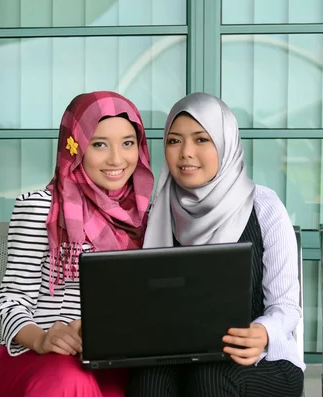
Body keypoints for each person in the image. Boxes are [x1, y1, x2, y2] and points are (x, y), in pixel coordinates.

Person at [126, 92, 305, 397]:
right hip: (179, 356)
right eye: (174, 141)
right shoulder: (157, 211)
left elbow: (285, 306)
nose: (185, 153)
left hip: (260, 358)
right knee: (148, 382)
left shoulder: (263, 206)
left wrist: (262, 333)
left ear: (225, 142)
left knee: (211, 379)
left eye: (201, 139)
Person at [0, 91, 155, 397]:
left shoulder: (151, 216)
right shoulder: (41, 208)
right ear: (76, 147)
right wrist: (41, 339)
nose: (116, 159)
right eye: (99, 144)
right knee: (70, 382)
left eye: (127, 143)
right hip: (40, 359)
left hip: (113, 362)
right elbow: (11, 302)